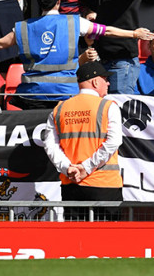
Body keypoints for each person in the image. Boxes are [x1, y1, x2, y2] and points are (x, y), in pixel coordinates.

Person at [0, 0, 154, 109]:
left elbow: (1, 43)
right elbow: (107, 31)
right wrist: (133, 33)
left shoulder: (23, 27)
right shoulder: (74, 22)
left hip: (32, 95)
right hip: (65, 95)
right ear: (58, 2)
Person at [42, 61, 123, 222]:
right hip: (104, 184)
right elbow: (113, 142)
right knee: (107, 236)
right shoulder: (108, 106)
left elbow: (50, 145)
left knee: (75, 236)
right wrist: (86, 168)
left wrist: (67, 168)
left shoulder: (59, 109)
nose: (108, 83)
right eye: (105, 79)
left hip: (71, 185)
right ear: (95, 82)